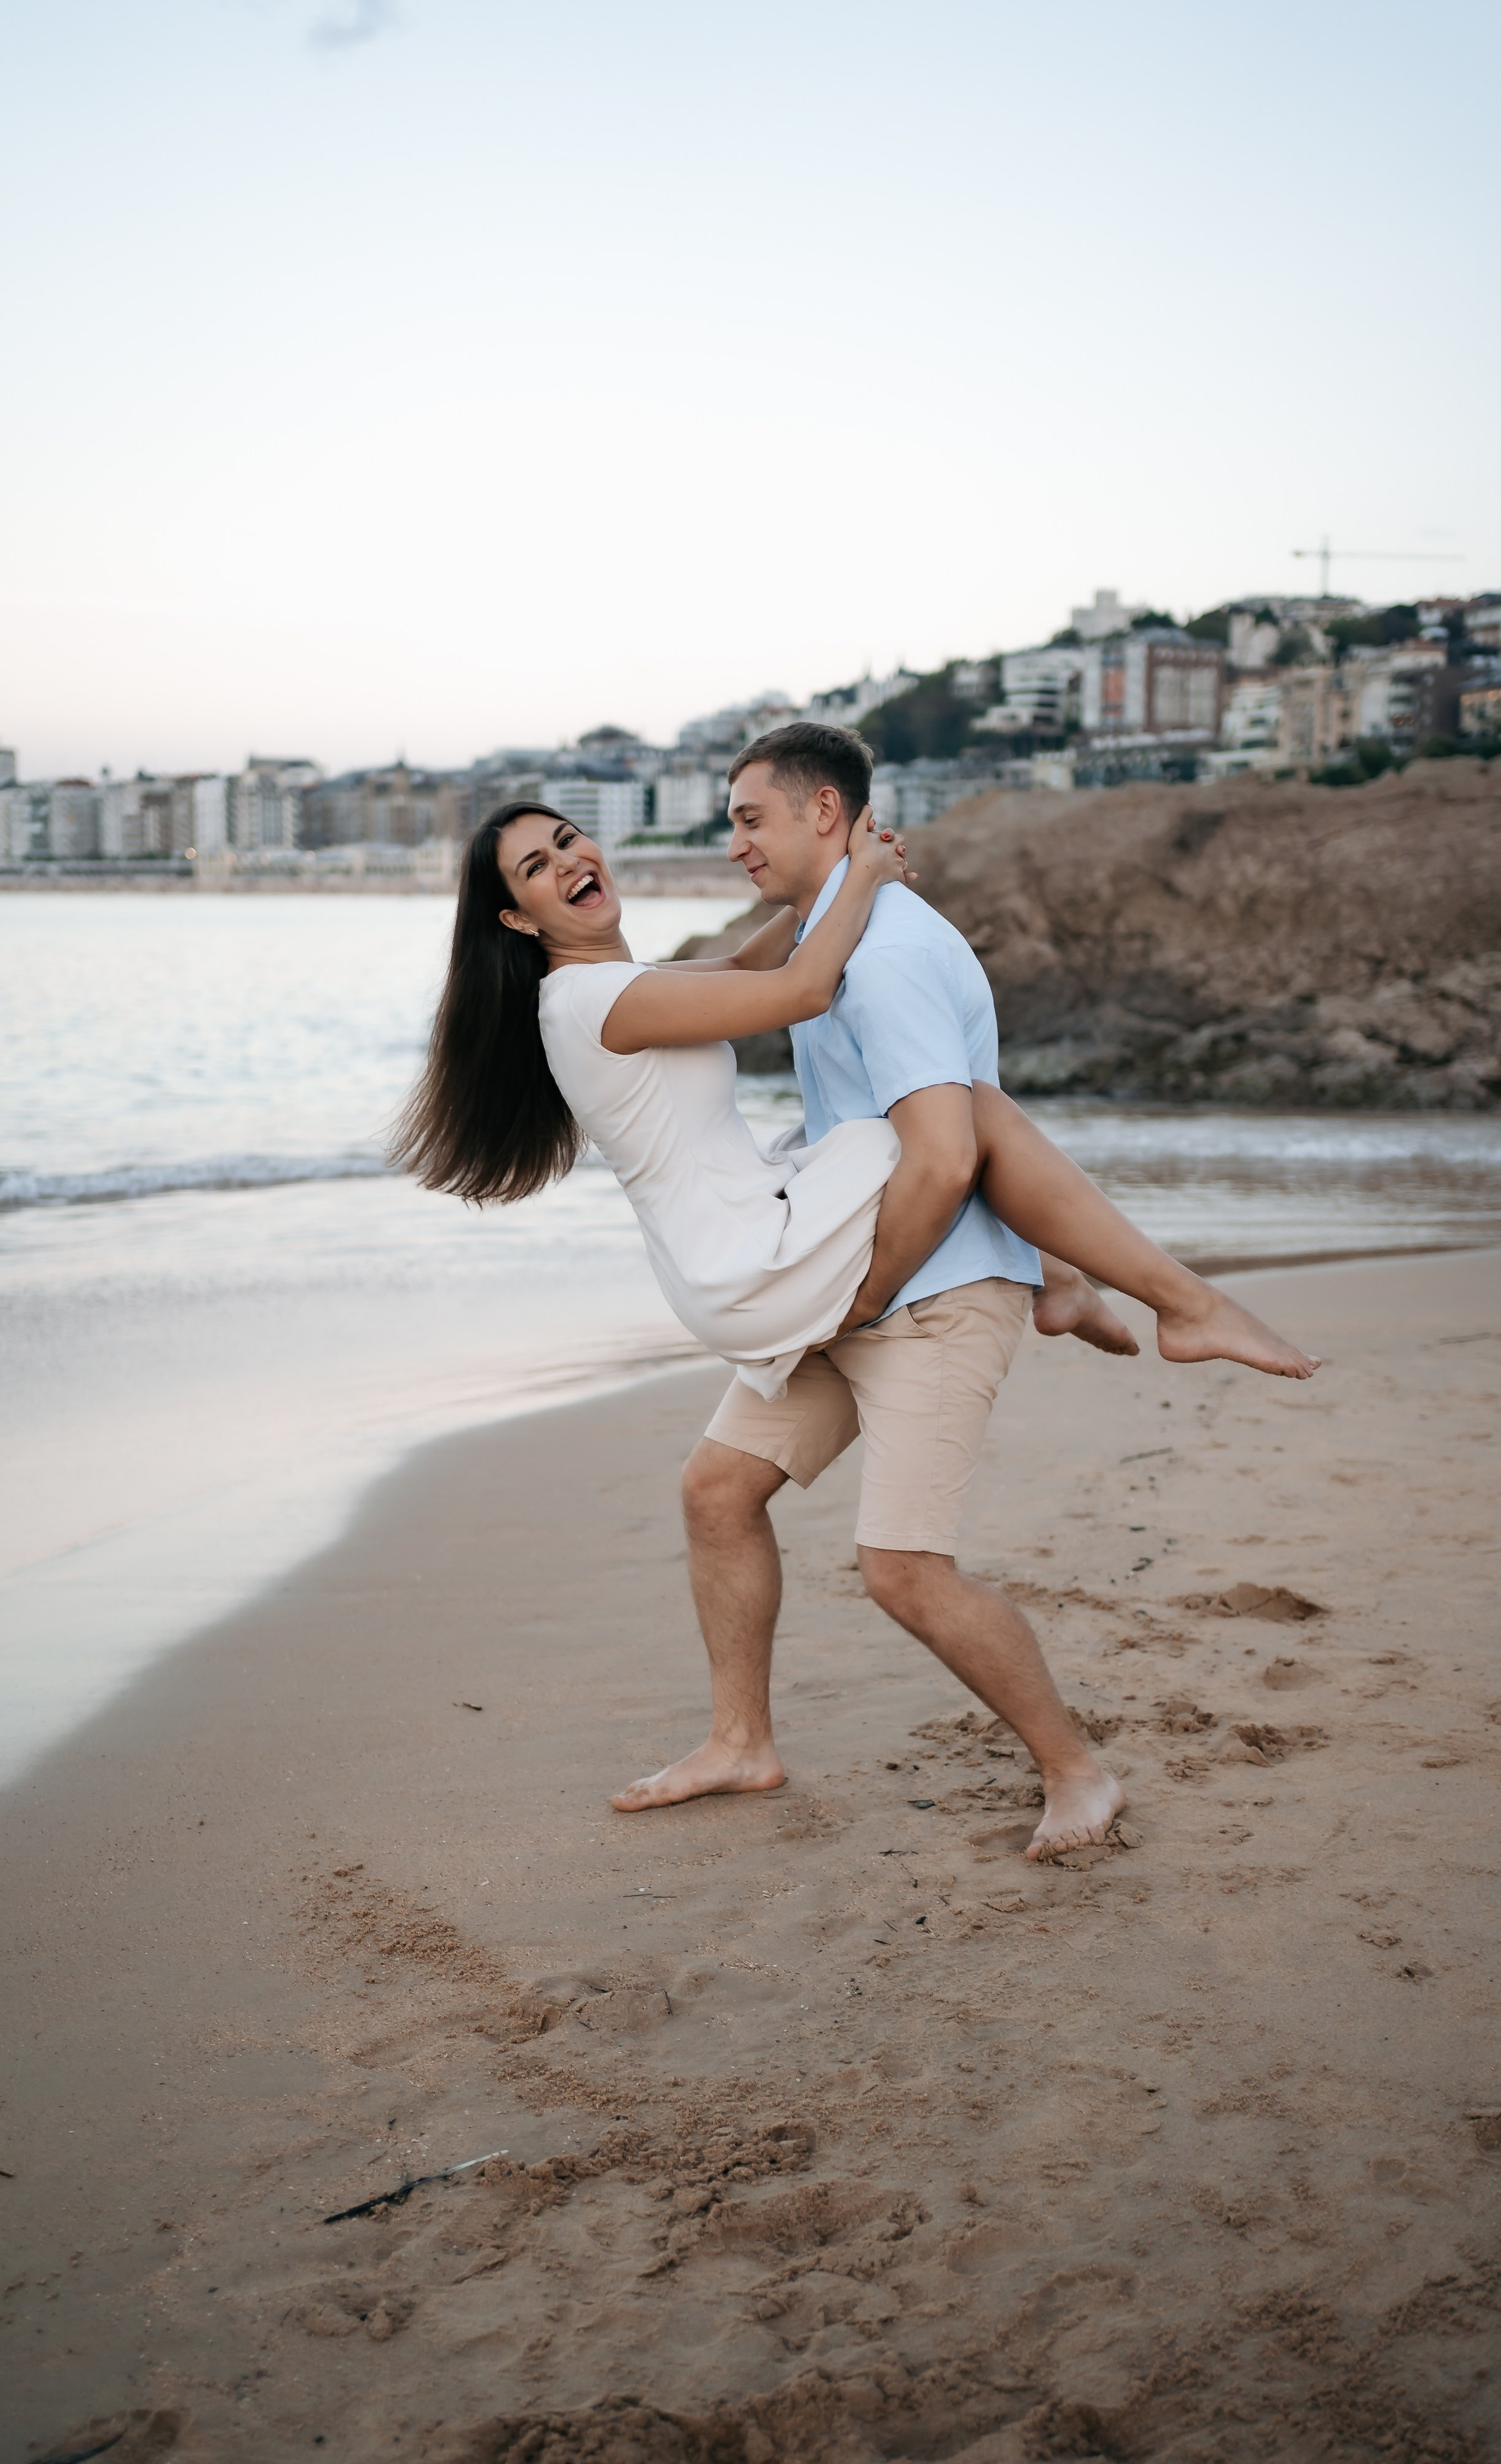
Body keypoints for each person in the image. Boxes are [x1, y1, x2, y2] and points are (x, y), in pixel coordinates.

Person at [394, 734, 1318, 1857]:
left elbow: (747, 973)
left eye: (566, 838)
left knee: (717, 1494)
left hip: (748, 1260)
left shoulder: (610, 987)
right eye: (536, 869)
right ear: (520, 920)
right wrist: (864, 878)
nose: (568, 860)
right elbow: (800, 988)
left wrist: (837, 877)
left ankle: (745, 1742)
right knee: (957, 1115)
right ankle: (1146, 1296)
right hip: (770, 1260)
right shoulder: (592, 1004)